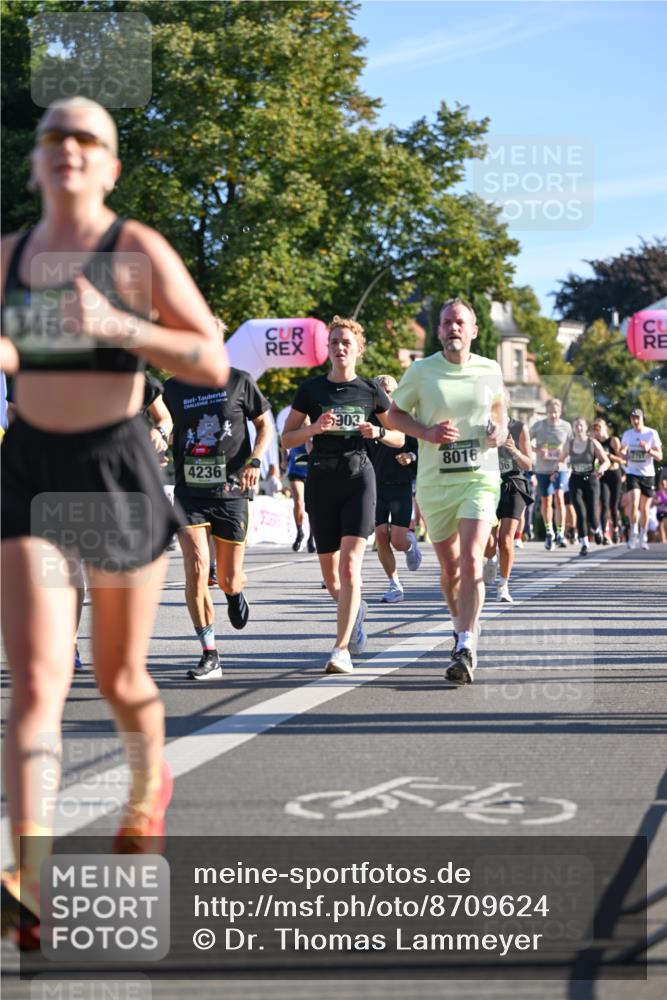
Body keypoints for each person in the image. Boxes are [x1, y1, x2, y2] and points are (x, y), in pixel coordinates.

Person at [0, 97, 228, 947]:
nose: (68, 147)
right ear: (35, 162)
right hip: (29, 470)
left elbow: (210, 356)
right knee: (36, 682)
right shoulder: (10, 256)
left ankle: (145, 792)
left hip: (114, 472)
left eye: (86, 137)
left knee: (119, 676)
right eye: (53, 135)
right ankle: (28, 875)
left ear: (110, 165)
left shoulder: (135, 250)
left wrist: (121, 326)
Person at [390, 298, 508, 686]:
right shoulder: (421, 371)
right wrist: (426, 432)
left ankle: (466, 644)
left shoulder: (490, 369)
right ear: (439, 331)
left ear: (473, 330)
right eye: (446, 323)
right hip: (435, 483)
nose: (453, 327)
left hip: (479, 477)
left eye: (460, 322)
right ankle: (461, 627)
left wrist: (499, 430)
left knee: (472, 560)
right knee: (451, 569)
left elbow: (500, 412)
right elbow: (393, 414)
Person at [281, 315, 393, 674]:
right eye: (334, 342)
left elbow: (400, 436)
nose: (340, 347)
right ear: (327, 349)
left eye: (347, 342)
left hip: (359, 479)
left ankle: (340, 649)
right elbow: (287, 439)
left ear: (359, 349)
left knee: (349, 567)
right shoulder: (311, 390)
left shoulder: (371, 391)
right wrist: (314, 428)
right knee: (332, 579)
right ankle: (355, 611)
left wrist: (377, 432)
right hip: (321, 482)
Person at [163, 361, 273, 680]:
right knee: (197, 568)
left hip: (232, 491)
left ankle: (234, 592)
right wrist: (159, 441)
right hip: (189, 493)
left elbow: (264, 425)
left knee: (228, 579)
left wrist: (255, 460)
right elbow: (164, 423)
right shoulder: (173, 388)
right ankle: (210, 653)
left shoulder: (239, 380)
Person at [367, 374, 420, 604]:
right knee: (380, 536)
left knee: (397, 540)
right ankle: (394, 584)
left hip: (400, 485)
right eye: (380, 391)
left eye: (389, 391)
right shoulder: (367, 421)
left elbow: (421, 450)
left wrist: (411, 456)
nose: (385, 395)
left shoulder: (404, 419)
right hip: (375, 486)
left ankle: (409, 546)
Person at [483, 402, 533, 602]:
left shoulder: (519, 428)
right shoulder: (482, 427)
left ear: (507, 405)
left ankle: (503, 586)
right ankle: (491, 559)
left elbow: (528, 464)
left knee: (505, 540)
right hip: (487, 484)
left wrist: (514, 451)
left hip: (513, 483)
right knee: (488, 542)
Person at [560, 418, 610, 556]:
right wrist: (556, 470)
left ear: (586, 427)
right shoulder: (569, 444)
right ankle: (584, 543)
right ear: (573, 428)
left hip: (591, 480)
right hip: (575, 480)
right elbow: (560, 460)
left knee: (592, 514)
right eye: (576, 425)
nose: (579, 428)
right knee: (580, 512)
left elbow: (606, 461)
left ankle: (597, 530)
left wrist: (601, 469)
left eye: (581, 425)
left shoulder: (592, 443)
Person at [530, 399, 572, 550]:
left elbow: (572, 446)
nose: (553, 415)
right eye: (550, 412)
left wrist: (563, 457)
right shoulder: (538, 426)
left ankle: (560, 533)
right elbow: (525, 441)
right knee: (546, 501)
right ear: (546, 412)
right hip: (542, 469)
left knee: (559, 498)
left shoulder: (566, 426)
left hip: (560, 468)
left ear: (560, 412)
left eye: (555, 412)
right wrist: (537, 451)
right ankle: (549, 532)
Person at [620, 408, 663, 550]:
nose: (636, 420)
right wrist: (623, 454)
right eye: (633, 418)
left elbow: (660, 456)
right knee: (634, 502)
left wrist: (648, 449)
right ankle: (633, 534)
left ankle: (643, 537)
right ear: (630, 420)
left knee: (644, 508)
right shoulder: (627, 434)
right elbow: (622, 452)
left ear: (643, 418)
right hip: (632, 473)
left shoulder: (651, 433)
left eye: (638, 418)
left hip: (648, 474)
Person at [592, 417, 624, 543]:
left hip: (615, 474)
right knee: (604, 504)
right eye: (595, 428)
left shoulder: (613, 440)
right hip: (603, 475)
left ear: (605, 427)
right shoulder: (595, 443)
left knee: (613, 505)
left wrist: (609, 456)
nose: (598, 431)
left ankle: (615, 529)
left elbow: (622, 460)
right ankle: (605, 533)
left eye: (599, 427)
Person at [285, 444, 315, 552]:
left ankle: (311, 537)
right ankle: (299, 531)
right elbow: (285, 440)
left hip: (313, 467)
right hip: (296, 467)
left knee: (312, 506)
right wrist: (285, 456)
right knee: (298, 502)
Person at [654, 474, 667, 544]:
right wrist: (657, 501)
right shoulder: (657, 493)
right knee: (661, 524)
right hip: (659, 511)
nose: (663, 485)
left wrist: (662, 500)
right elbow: (653, 502)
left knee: (665, 523)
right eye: (662, 484)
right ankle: (663, 540)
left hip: (666, 511)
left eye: (664, 484)